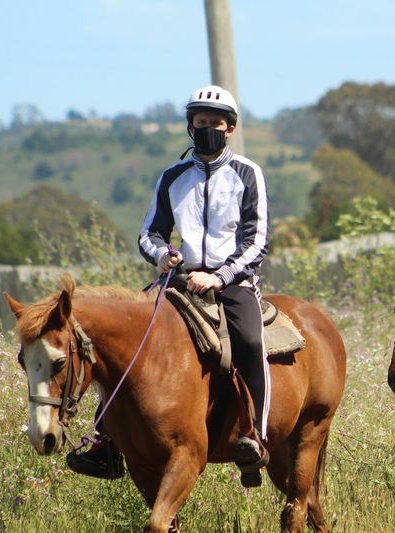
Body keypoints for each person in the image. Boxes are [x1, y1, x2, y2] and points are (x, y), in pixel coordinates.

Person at [68, 84, 271, 479]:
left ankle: (256, 435)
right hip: (179, 279)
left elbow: (258, 239)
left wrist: (219, 276)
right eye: (200, 122)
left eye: (215, 122)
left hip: (234, 280)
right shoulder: (172, 176)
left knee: (249, 340)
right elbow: (150, 233)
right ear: (190, 127)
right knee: (129, 340)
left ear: (230, 128)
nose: (207, 128)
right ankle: (103, 441)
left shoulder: (248, 173)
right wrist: (165, 255)